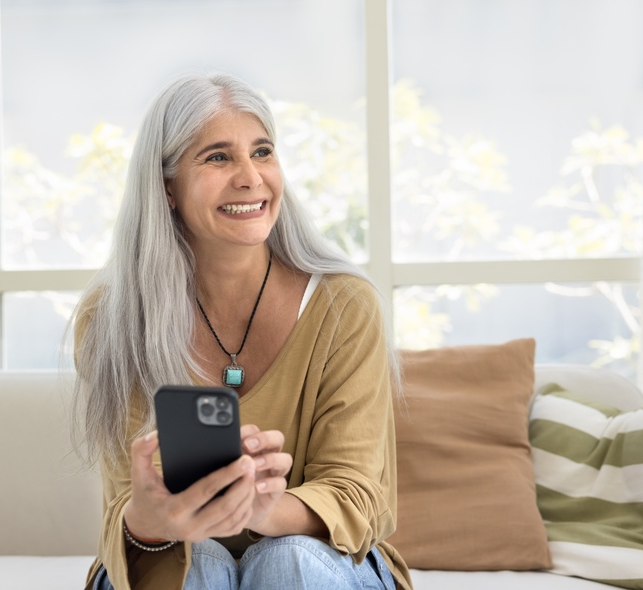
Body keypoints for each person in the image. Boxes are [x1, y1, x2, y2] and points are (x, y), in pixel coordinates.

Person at [71, 72, 412, 590]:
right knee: (199, 565)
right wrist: (150, 519)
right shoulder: (113, 315)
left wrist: (265, 510)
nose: (251, 177)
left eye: (262, 152)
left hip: (320, 565)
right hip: (172, 563)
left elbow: (359, 494)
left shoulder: (344, 304)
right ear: (167, 187)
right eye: (217, 157)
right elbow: (127, 509)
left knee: (287, 560)